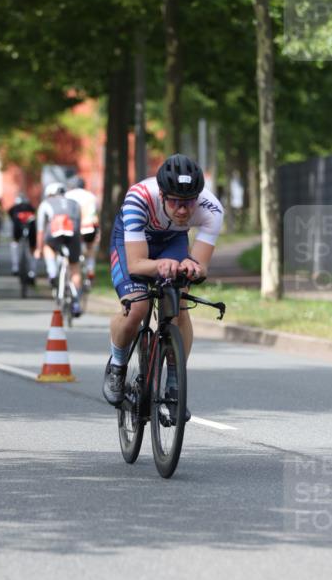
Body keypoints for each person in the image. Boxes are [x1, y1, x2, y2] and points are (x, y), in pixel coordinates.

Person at [102, 153, 223, 416]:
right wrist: (159, 265)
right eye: (176, 203)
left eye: (189, 203)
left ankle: (174, 380)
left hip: (173, 240)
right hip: (133, 240)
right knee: (138, 307)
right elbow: (135, 264)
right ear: (162, 196)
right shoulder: (138, 198)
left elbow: (200, 267)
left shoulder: (211, 209)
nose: (183, 210)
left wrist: (192, 269)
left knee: (179, 302)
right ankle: (118, 365)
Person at [34, 182, 83, 317]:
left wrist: (38, 249)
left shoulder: (45, 203)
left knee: (47, 246)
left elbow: (40, 230)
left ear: (49, 194)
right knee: (75, 268)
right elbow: (79, 225)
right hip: (73, 233)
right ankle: (77, 302)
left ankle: (52, 272)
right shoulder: (74, 203)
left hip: (55, 231)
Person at [66, 176, 100, 279]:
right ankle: (90, 268)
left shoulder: (68, 195)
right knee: (91, 249)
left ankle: (69, 274)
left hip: (73, 227)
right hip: (89, 226)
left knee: (69, 249)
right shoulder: (91, 196)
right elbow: (96, 214)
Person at [8, 193, 37, 280]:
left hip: (17, 229)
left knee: (15, 244)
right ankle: (32, 272)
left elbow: (11, 217)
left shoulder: (14, 208)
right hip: (31, 229)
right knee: (32, 249)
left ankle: (15, 267)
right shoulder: (31, 207)